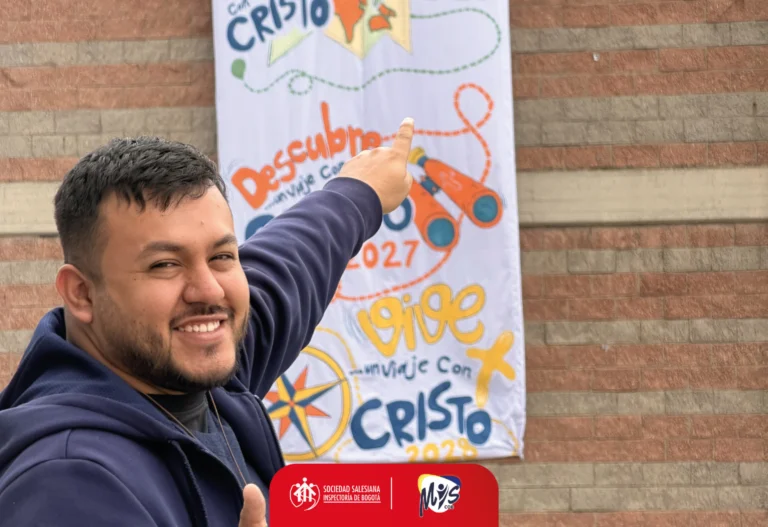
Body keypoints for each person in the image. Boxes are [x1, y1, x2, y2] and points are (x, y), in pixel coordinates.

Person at [0, 118, 415, 526]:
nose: (210, 291)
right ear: (81, 293)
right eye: (165, 264)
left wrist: (357, 193)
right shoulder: (68, 484)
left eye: (221, 257)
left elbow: (289, 266)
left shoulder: (199, 376)